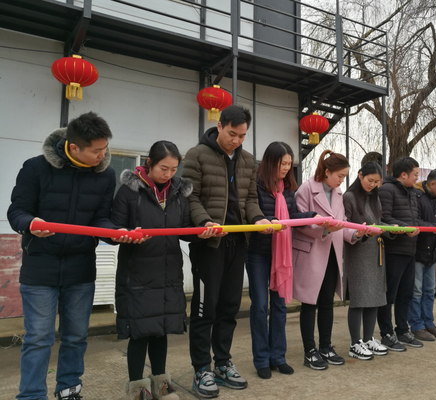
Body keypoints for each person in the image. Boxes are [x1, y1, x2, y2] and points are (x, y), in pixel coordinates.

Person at [7, 112, 136, 400]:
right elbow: (17, 212)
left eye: (105, 148)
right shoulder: (35, 168)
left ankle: (68, 388)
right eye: (96, 150)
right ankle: (31, 395)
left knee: (76, 336)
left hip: (80, 269)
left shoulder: (104, 175)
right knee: (38, 338)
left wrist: (116, 233)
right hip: (40, 267)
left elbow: (100, 219)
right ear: (74, 147)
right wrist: (31, 224)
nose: (103, 156)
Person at [111, 141, 216, 400]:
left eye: (173, 169)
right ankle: (137, 388)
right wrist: (126, 235)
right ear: (149, 163)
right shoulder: (129, 191)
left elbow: (184, 230)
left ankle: (161, 384)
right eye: (163, 168)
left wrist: (201, 232)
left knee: (161, 329)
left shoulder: (178, 192)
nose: (168, 174)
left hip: (168, 271)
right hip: (138, 272)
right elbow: (114, 229)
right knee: (140, 331)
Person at [182, 105, 272, 398]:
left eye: (242, 136)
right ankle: (201, 368)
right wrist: (204, 222)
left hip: (238, 242)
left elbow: (250, 199)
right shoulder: (197, 155)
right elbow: (190, 197)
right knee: (205, 308)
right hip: (209, 244)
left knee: (230, 307)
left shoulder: (247, 160)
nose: (236, 140)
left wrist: (259, 219)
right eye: (232, 133)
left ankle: (222, 363)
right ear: (219, 126)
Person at [246, 142, 316, 379]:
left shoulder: (287, 188)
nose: (286, 168)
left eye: (289, 164)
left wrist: (313, 216)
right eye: (282, 163)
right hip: (258, 253)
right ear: (270, 162)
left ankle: (278, 357)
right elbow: (250, 213)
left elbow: (292, 215)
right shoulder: (255, 184)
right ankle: (261, 359)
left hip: (282, 254)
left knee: (280, 306)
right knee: (259, 306)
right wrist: (267, 222)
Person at [293, 150, 366, 370]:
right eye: (340, 176)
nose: (341, 180)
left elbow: (341, 223)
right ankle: (309, 351)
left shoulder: (337, 193)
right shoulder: (306, 189)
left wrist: (355, 234)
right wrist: (324, 229)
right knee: (309, 303)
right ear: (327, 171)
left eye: (344, 176)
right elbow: (299, 223)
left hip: (332, 254)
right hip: (312, 253)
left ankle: (325, 346)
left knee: (327, 302)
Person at [343, 162, 393, 360]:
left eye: (376, 182)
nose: (372, 185)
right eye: (370, 180)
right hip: (357, 252)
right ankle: (355, 343)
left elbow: (378, 223)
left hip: (375, 251)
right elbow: (345, 226)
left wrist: (393, 229)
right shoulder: (349, 197)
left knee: (374, 297)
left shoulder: (375, 197)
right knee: (359, 299)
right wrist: (361, 232)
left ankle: (368, 338)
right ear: (360, 175)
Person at [377, 156, 426, 351]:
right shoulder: (387, 190)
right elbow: (384, 218)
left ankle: (403, 330)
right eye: (415, 174)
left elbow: (416, 220)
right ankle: (386, 333)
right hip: (393, 250)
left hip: (410, 250)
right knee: (389, 295)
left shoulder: (413, 192)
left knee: (406, 294)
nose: (417, 178)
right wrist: (405, 228)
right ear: (403, 174)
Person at [409, 168, 436, 342]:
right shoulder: (417, 196)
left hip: (433, 251)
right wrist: (435, 228)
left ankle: (429, 323)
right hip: (418, 250)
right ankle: (416, 325)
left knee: (429, 290)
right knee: (416, 291)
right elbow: (415, 221)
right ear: (432, 183)